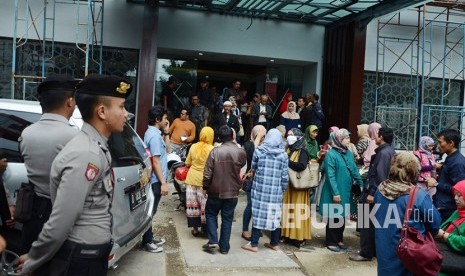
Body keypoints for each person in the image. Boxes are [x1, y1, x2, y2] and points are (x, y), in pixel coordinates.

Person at [19, 74, 132, 275]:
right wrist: (33, 260)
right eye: (122, 107)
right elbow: (62, 220)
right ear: (102, 111)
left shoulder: (94, 146)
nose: (126, 114)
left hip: (89, 253)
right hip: (82, 259)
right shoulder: (86, 153)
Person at [18, 75, 80, 254]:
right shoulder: (76, 137)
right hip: (62, 217)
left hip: (33, 215)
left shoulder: (26, 133)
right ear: (69, 102)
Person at [374, 152, 441, 276]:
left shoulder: (380, 189)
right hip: (408, 253)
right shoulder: (418, 196)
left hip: (384, 251)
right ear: (413, 171)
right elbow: (435, 224)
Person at [350, 127, 396, 262]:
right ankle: (372, 251)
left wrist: (372, 193)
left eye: (377, 136)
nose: (375, 138)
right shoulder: (388, 151)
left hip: (372, 195)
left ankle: (365, 253)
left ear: (381, 137)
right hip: (378, 194)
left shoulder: (384, 153)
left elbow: (380, 176)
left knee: (366, 224)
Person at [241, 129, 289, 253]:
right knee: (275, 215)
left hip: (260, 189)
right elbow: (284, 176)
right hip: (275, 190)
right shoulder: (283, 155)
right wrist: (282, 190)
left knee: (258, 213)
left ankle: (254, 244)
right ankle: (274, 243)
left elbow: (253, 167)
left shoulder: (259, 151)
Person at [202, 125, 246, 254]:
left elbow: (207, 174)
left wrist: (205, 187)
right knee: (227, 219)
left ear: (219, 138)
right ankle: (225, 247)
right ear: (233, 137)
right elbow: (242, 165)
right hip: (232, 191)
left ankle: (213, 240)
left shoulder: (215, 151)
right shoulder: (240, 152)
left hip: (215, 190)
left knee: (210, 214)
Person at [318, 129, 364, 252]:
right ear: (338, 140)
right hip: (335, 191)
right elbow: (330, 175)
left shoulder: (348, 153)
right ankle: (331, 242)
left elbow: (354, 169)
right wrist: (335, 193)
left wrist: (361, 183)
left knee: (343, 216)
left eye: (349, 138)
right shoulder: (331, 154)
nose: (349, 140)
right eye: (346, 138)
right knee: (334, 216)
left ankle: (339, 239)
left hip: (346, 190)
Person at [142, 105, 170, 253]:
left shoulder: (155, 133)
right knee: (150, 212)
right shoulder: (153, 136)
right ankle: (147, 242)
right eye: (165, 118)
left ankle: (149, 237)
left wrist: (167, 132)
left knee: (152, 211)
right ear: (157, 119)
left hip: (157, 179)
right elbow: (156, 161)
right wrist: (164, 183)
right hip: (155, 180)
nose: (167, 121)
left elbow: (168, 150)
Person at [281, 128, 311, 248]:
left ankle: (298, 237)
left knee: (298, 211)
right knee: (288, 210)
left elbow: (301, 166)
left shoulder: (302, 151)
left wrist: (286, 161)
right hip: (289, 187)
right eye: (288, 135)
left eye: (292, 135)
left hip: (299, 187)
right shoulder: (288, 149)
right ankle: (287, 235)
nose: (289, 137)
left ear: (298, 137)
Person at [426, 129, 465, 222]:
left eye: (440, 142)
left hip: (448, 208)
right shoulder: (450, 158)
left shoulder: (457, 163)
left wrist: (436, 184)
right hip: (442, 204)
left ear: (451, 143)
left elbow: (459, 190)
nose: (438, 146)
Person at [184, 127, 215, 237]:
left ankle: (195, 229)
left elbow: (187, 163)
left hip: (192, 179)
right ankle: (205, 230)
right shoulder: (212, 149)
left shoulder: (193, 146)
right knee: (205, 206)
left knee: (193, 206)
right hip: (205, 181)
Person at [241, 125, 267, 241]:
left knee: (260, 205)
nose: (262, 138)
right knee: (251, 205)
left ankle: (256, 228)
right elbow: (253, 156)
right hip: (251, 179)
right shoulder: (248, 145)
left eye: (264, 136)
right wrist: (257, 139)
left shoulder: (266, 146)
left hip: (262, 179)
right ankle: (245, 230)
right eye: (260, 135)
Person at [436, 179, 465, 275]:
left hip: (457, 265)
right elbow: (444, 226)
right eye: (455, 194)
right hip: (446, 258)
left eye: (460, 195)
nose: (455, 198)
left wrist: (444, 235)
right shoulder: (458, 211)